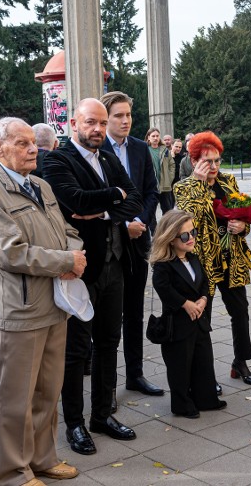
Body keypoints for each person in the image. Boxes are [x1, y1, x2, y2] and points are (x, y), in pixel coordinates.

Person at [0, 117, 84, 486]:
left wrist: (73, 253)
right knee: (17, 398)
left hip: (54, 303)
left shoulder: (40, 185)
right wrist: (65, 262)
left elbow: (66, 230)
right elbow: (8, 253)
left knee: (49, 391)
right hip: (19, 310)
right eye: (21, 143)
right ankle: (14, 472)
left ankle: (43, 458)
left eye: (33, 142)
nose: (33, 149)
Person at [43, 98, 143, 455]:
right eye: (90, 122)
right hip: (80, 269)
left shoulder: (108, 158)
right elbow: (74, 201)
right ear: (73, 123)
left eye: (102, 123)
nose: (98, 129)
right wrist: (112, 200)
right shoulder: (57, 159)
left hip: (116, 265)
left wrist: (105, 209)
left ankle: (102, 414)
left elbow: (135, 199)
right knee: (75, 351)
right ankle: (75, 423)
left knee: (107, 344)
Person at [174, 131, 251, 387]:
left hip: (231, 258)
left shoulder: (229, 181)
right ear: (194, 161)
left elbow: (243, 215)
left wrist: (241, 227)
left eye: (217, 161)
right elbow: (191, 218)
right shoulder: (184, 187)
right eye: (207, 161)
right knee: (203, 319)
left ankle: (240, 362)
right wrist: (199, 183)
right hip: (203, 261)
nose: (213, 167)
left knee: (240, 312)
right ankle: (204, 374)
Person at [100, 91, 164, 398]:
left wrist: (142, 221)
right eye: (118, 116)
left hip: (139, 240)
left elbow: (152, 191)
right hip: (109, 242)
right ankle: (107, 385)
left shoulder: (140, 149)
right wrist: (125, 223)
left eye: (128, 115)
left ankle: (135, 375)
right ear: (105, 118)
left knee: (135, 311)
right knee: (109, 316)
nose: (125, 121)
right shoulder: (97, 150)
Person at [150, 209, 227, 418]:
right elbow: (163, 288)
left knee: (203, 361)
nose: (191, 238)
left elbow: (205, 282)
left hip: (199, 320)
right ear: (170, 238)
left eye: (193, 232)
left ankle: (206, 398)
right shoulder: (163, 265)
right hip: (178, 324)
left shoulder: (193, 258)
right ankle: (182, 404)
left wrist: (203, 299)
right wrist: (185, 304)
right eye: (185, 235)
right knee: (180, 366)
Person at [146, 127, 175, 219]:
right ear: (148, 138)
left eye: (157, 136)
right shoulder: (145, 150)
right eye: (153, 136)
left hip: (165, 186)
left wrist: (169, 178)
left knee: (167, 211)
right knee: (150, 211)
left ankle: (167, 230)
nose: (155, 138)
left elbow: (172, 165)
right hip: (151, 186)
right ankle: (154, 232)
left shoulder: (165, 150)